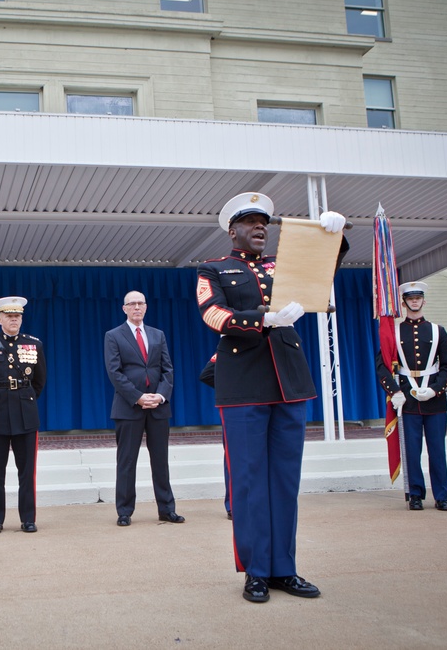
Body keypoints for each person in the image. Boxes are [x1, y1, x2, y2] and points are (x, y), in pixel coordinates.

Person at [196, 192, 346, 603]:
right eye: (251, 221)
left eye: (265, 221)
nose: (261, 227)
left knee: (284, 480)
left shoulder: (283, 268)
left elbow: (319, 274)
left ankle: (284, 568)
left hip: (288, 382)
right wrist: (262, 319)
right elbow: (213, 313)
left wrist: (332, 236)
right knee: (248, 482)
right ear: (233, 230)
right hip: (243, 384)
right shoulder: (214, 268)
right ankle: (256, 571)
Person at [104, 290, 183, 527]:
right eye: (132, 304)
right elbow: (114, 372)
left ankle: (167, 509)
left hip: (158, 407)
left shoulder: (157, 335)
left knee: (161, 460)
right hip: (129, 407)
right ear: (124, 308)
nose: (137, 307)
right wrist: (138, 397)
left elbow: (167, 369)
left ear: (146, 307)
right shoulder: (113, 335)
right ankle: (125, 511)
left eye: (140, 303)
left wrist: (160, 395)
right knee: (127, 461)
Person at [0, 296, 47, 534]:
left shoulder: (34, 344)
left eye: (18, 316)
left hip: (25, 414)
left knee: (27, 473)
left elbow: (39, 381)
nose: (14, 320)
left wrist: (25, 398)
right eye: (9, 316)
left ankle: (28, 519)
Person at [375, 282, 447, 511]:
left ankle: (442, 496)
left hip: (434, 398)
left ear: (424, 301)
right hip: (406, 398)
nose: (414, 301)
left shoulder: (438, 330)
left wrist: (435, 389)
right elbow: (381, 367)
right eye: (410, 298)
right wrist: (395, 392)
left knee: (437, 450)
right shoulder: (395, 332)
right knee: (411, 450)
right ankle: (415, 494)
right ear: (404, 302)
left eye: (418, 298)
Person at [199, 352, 230, 520]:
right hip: (236, 406)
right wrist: (230, 389)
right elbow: (207, 375)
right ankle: (232, 505)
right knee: (233, 459)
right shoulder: (227, 348)